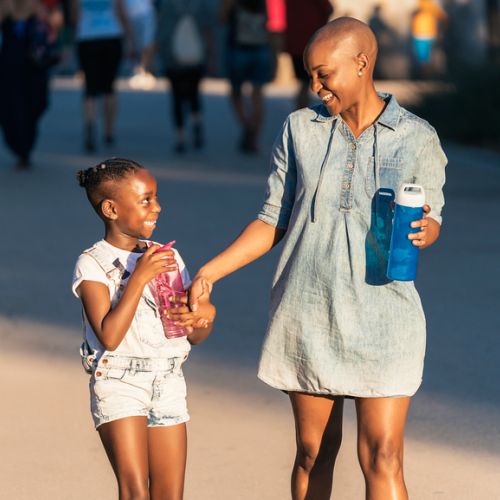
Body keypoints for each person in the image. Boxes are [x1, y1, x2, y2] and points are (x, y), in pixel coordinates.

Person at [185, 17, 447, 500]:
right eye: (309, 74)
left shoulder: (416, 137)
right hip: (307, 313)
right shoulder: (300, 129)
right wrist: (210, 271)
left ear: (362, 64)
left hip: (385, 318)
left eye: (324, 73)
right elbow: (272, 219)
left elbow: (431, 221)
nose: (314, 85)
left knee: (383, 457)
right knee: (313, 452)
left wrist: (423, 229)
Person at [72, 158, 216, 499]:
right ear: (111, 208)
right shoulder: (93, 263)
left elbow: (193, 335)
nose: (158, 207)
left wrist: (203, 314)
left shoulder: (167, 257)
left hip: (168, 379)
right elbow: (109, 335)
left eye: (156, 198)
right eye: (146, 200)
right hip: (120, 382)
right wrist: (138, 278)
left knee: (169, 493)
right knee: (135, 491)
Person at [0, 0, 59, 169]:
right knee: (9, 110)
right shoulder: (5, 6)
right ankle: (21, 151)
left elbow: (53, 26)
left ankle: (25, 149)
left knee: (34, 106)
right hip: (9, 68)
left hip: (33, 69)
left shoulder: (36, 7)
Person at [71, 0, 133, 152]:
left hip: (87, 37)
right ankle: (108, 131)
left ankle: (90, 125)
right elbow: (121, 12)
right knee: (109, 87)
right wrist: (130, 38)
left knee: (90, 88)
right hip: (111, 36)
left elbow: (74, 16)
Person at [155, 0, 214, 154]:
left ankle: (180, 137)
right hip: (197, 55)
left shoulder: (167, 4)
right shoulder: (201, 4)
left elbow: (162, 30)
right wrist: (210, 56)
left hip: (173, 57)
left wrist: (156, 53)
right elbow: (207, 30)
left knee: (177, 97)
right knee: (194, 93)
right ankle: (196, 122)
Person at [220, 0, 275, 153]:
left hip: (239, 49)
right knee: (257, 95)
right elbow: (268, 23)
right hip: (260, 49)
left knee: (235, 93)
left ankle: (247, 127)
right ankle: (254, 137)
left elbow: (221, 18)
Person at [284, 0, 332, 109]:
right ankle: (303, 110)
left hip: (295, 42)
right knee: (313, 82)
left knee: (304, 82)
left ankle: (300, 109)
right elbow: (328, 9)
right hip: (313, 41)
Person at [411, 0, 447, 78]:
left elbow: (444, 18)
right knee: (423, 60)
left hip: (428, 36)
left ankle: (428, 77)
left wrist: (441, 32)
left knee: (426, 60)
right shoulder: (419, 8)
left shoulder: (431, 7)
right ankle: (425, 77)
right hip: (420, 36)